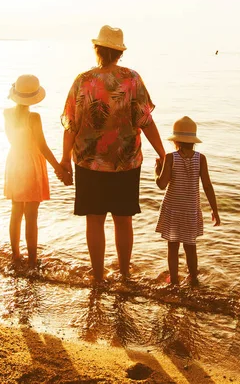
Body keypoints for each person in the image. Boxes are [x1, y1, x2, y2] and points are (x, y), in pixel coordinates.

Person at [60, 25, 166, 282]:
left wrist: (64, 159)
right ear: (119, 53)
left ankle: (98, 277)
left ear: (97, 49)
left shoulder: (82, 81)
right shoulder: (131, 79)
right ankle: (125, 275)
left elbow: (70, 125)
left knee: (94, 221)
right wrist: (163, 154)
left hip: (88, 162)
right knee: (123, 221)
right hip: (125, 162)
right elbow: (145, 120)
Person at [4, 74, 70, 268]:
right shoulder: (34, 117)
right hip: (31, 163)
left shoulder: (6, 113)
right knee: (31, 215)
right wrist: (60, 170)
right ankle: (32, 259)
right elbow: (42, 146)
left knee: (16, 211)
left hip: (14, 161)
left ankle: (15, 255)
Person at [155, 116, 220, 285]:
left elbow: (162, 185)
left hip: (172, 208)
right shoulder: (201, 158)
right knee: (190, 246)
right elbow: (207, 185)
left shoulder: (170, 158)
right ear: (193, 141)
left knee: (173, 246)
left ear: (176, 141)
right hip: (190, 209)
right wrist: (215, 209)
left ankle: (174, 281)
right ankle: (193, 278)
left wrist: (157, 170)